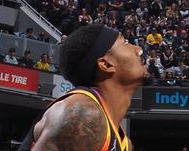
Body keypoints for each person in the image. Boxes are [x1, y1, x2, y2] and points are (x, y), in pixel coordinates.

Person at [18, 24, 147, 151]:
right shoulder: (81, 117)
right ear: (106, 64)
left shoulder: (123, 141)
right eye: (124, 43)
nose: (138, 49)